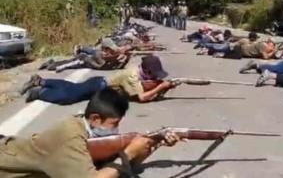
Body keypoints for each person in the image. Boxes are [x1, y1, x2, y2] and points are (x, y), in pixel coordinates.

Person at [0, 88, 180, 178]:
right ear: (95, 118)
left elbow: (125, 168)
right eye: (114, 124)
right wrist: (129, 152)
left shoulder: (87, 129)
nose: (116, 129)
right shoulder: (70, 136)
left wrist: (153, 144)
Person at [20, 55, 178, 105]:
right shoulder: (133, 76)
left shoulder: (140, 74)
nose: (156, 77)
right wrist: (161, 86)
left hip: (99, 84)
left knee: (72, 87)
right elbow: (142, 98)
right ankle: (39, 92)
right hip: (98, 86)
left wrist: (163, 87)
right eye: (154, 73)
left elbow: (145, 88)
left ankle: (41, 81)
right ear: (147, 70)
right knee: (68, 97)